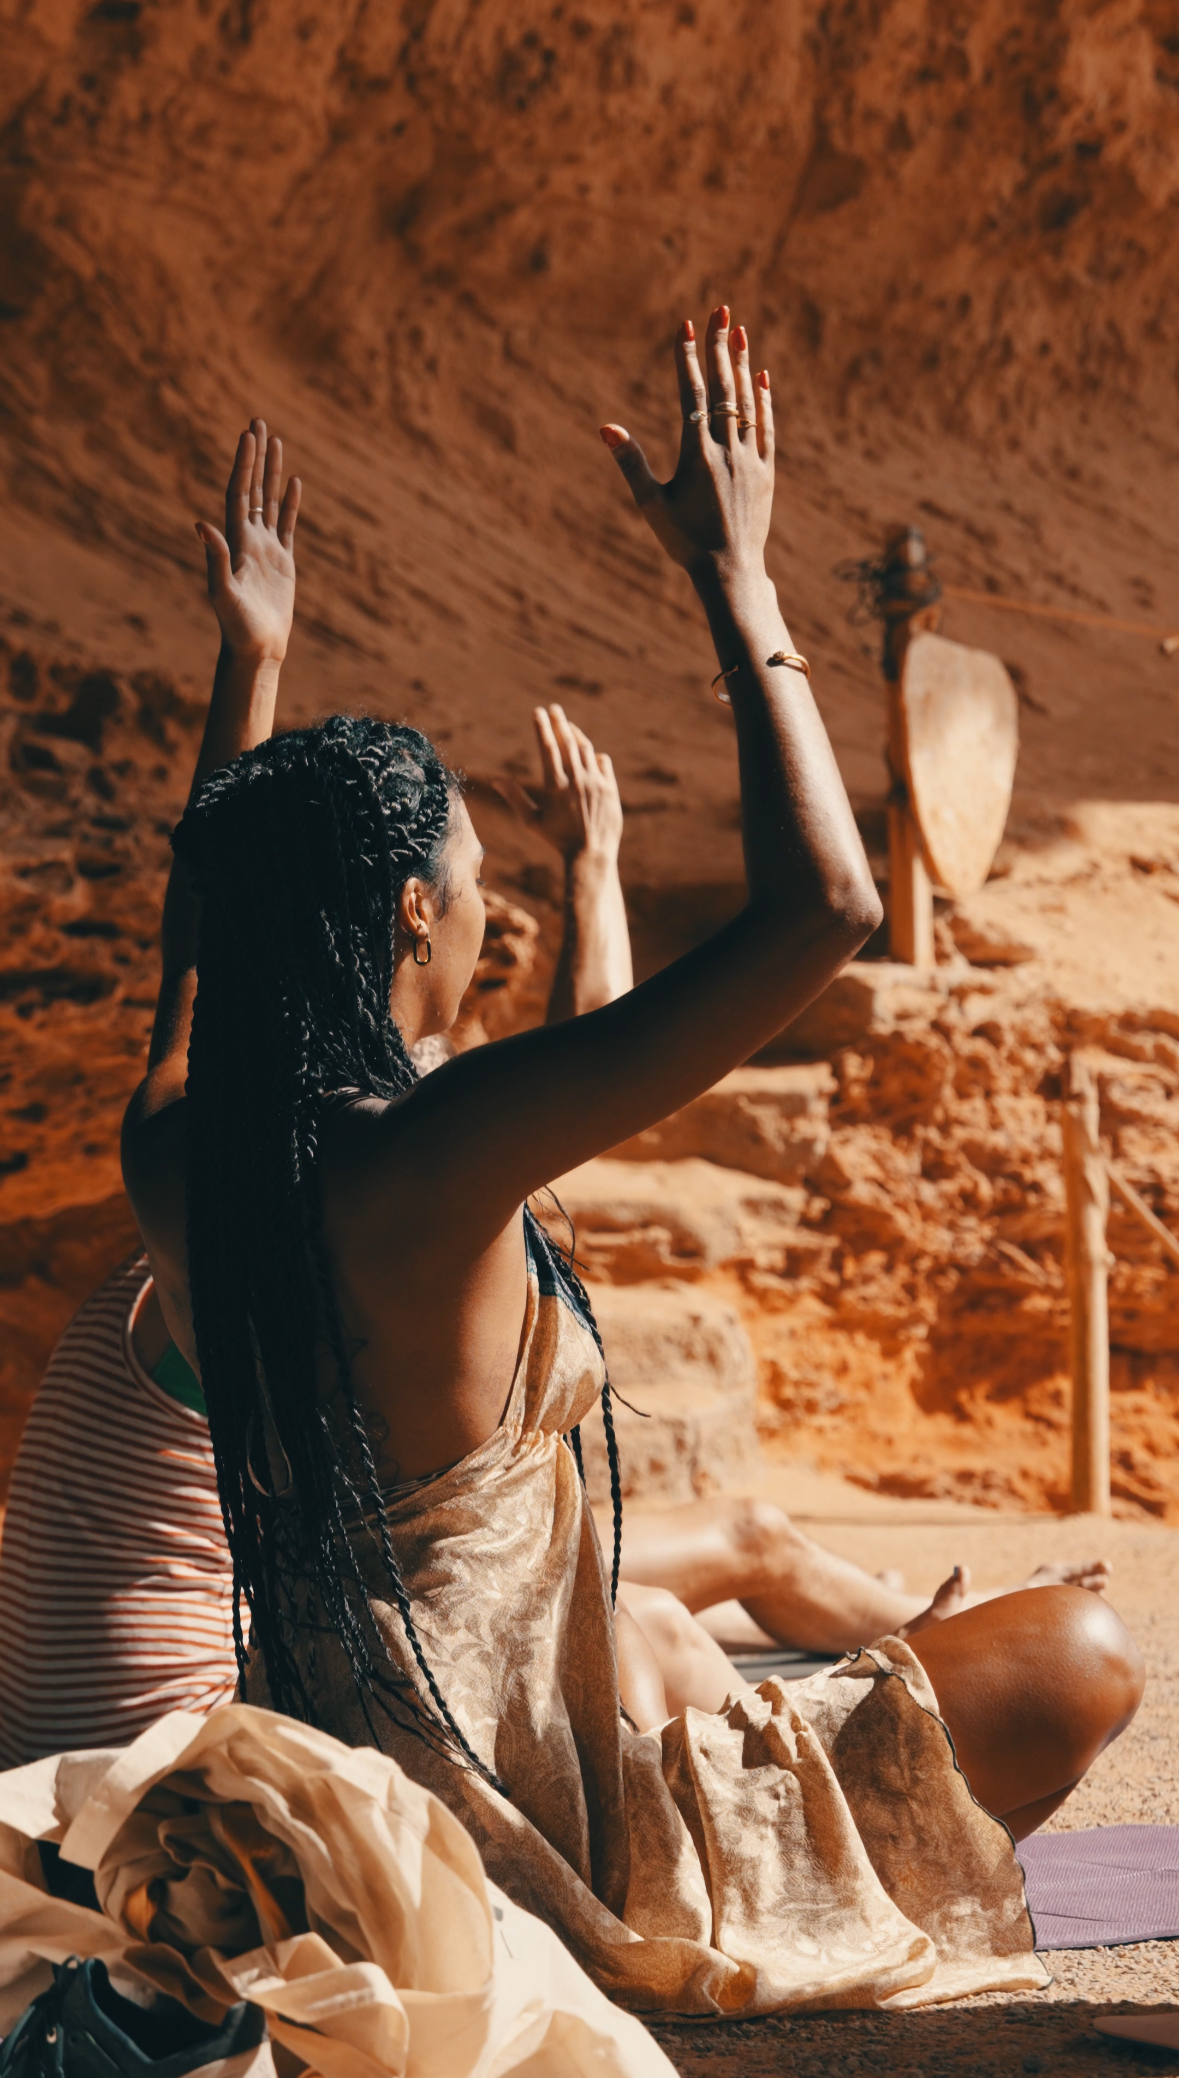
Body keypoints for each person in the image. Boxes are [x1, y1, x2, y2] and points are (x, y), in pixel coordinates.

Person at [116, 313, 1142, 2017]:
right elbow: (825, 907)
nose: (485, 903)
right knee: (1082, 1651)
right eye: (469, 872)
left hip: (345, 1799)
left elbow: (194, 939)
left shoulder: (189, 1157)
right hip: (539, 1833)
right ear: (407, 918)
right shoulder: (428, 1153)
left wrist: (252, 662)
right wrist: (736, 574)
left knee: (718, 1641)